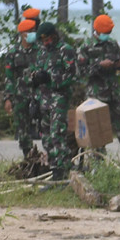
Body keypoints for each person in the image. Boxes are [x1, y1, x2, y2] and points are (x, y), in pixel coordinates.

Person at [77, 14, 120, 159]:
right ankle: (98, 160)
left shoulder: (112, 44)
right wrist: (99, 65)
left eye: (109, 32)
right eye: (105, 32)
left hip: (113, 92)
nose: (108, 35)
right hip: (96, 94)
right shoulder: (86, 46)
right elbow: (80, 72)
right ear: (98, 30)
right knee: (97, 128)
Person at [30, 22, 78, 179]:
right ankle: (54, 166)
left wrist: (51, 79)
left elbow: (72, 75)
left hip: (59, 98)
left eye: (48, 40)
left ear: (54, 36)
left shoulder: (66, 50)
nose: (46, 43)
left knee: (57, 133)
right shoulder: (42, 52)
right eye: (43, 41)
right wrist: (35, 88)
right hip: (43, 99)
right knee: (45, 136)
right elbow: (36, 73)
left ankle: (63, 168)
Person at [3, 19, 40, 159]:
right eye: (30, 31)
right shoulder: (13, 53)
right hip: (21, 95)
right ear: (22, 34)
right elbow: (9, 78)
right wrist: (8, 98)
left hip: (39, 93)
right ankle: (28, 155)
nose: (33, 34)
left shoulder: (41, 51)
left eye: (34, 31)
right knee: (22, 127)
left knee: (45, 124)